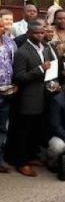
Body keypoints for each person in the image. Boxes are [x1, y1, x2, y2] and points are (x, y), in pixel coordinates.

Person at [12, 20, 54, 176]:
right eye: (37, 32)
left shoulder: (46, 48)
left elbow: (51, 69)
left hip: (44, 96)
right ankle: (21, 163)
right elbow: (19, 77)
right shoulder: (22, 52)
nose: (41, 35)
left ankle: (31, 157)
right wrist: (39, 69)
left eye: (42, 32)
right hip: (28, 99)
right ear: (29, 33)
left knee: (36, 130)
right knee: (24, 132)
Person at [0, 18, 17, 173]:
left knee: (3, 128)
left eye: (2, 26)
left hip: (7, 93)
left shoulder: (10, 43)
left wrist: (16, 85)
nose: (2, 28)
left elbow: (15, 64)